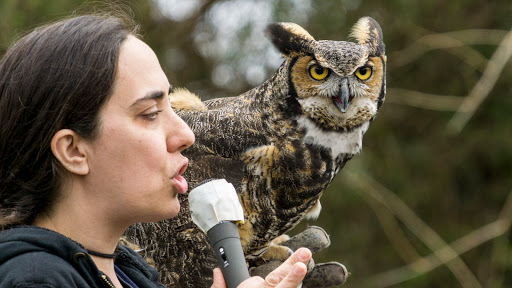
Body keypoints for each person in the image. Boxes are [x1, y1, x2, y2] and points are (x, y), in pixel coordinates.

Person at [0, 13, 311, 288]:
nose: (186, 134)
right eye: (150, 113)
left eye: (170, 106)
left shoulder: (130, 276)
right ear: (73, 151)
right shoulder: (35, 278)